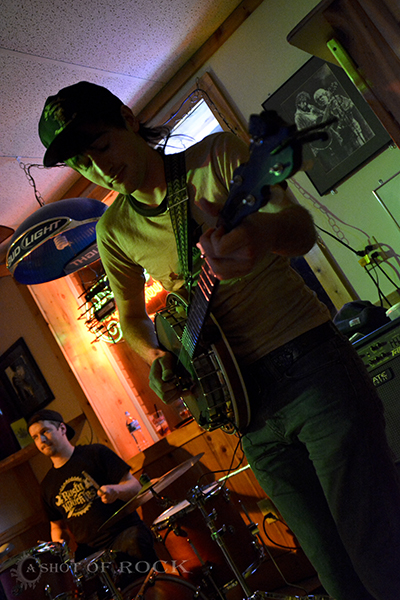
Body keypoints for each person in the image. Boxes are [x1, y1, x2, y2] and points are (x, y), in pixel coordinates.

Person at [36, 81, 400, 600]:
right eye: (82, 163)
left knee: (378, 553)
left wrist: (261, 236)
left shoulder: (218, 157)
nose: (99, 168)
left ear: (128, 120)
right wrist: (155, 355)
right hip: (247, 414)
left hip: (312, 370)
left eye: (100, 145)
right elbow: (131, 317)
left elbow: (301, 229)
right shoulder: (113, 230)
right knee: (334, 573)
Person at [27, 409, 160, 587]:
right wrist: (58, 544)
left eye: (45, 431)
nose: (41, 440)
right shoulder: (46, 486)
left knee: (142, 574)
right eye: (35, 437)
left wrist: (115, 491)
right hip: (90, 551)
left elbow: (135, 486)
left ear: (62, 429)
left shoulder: (95, 453)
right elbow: (57, 526)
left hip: (124, 534)